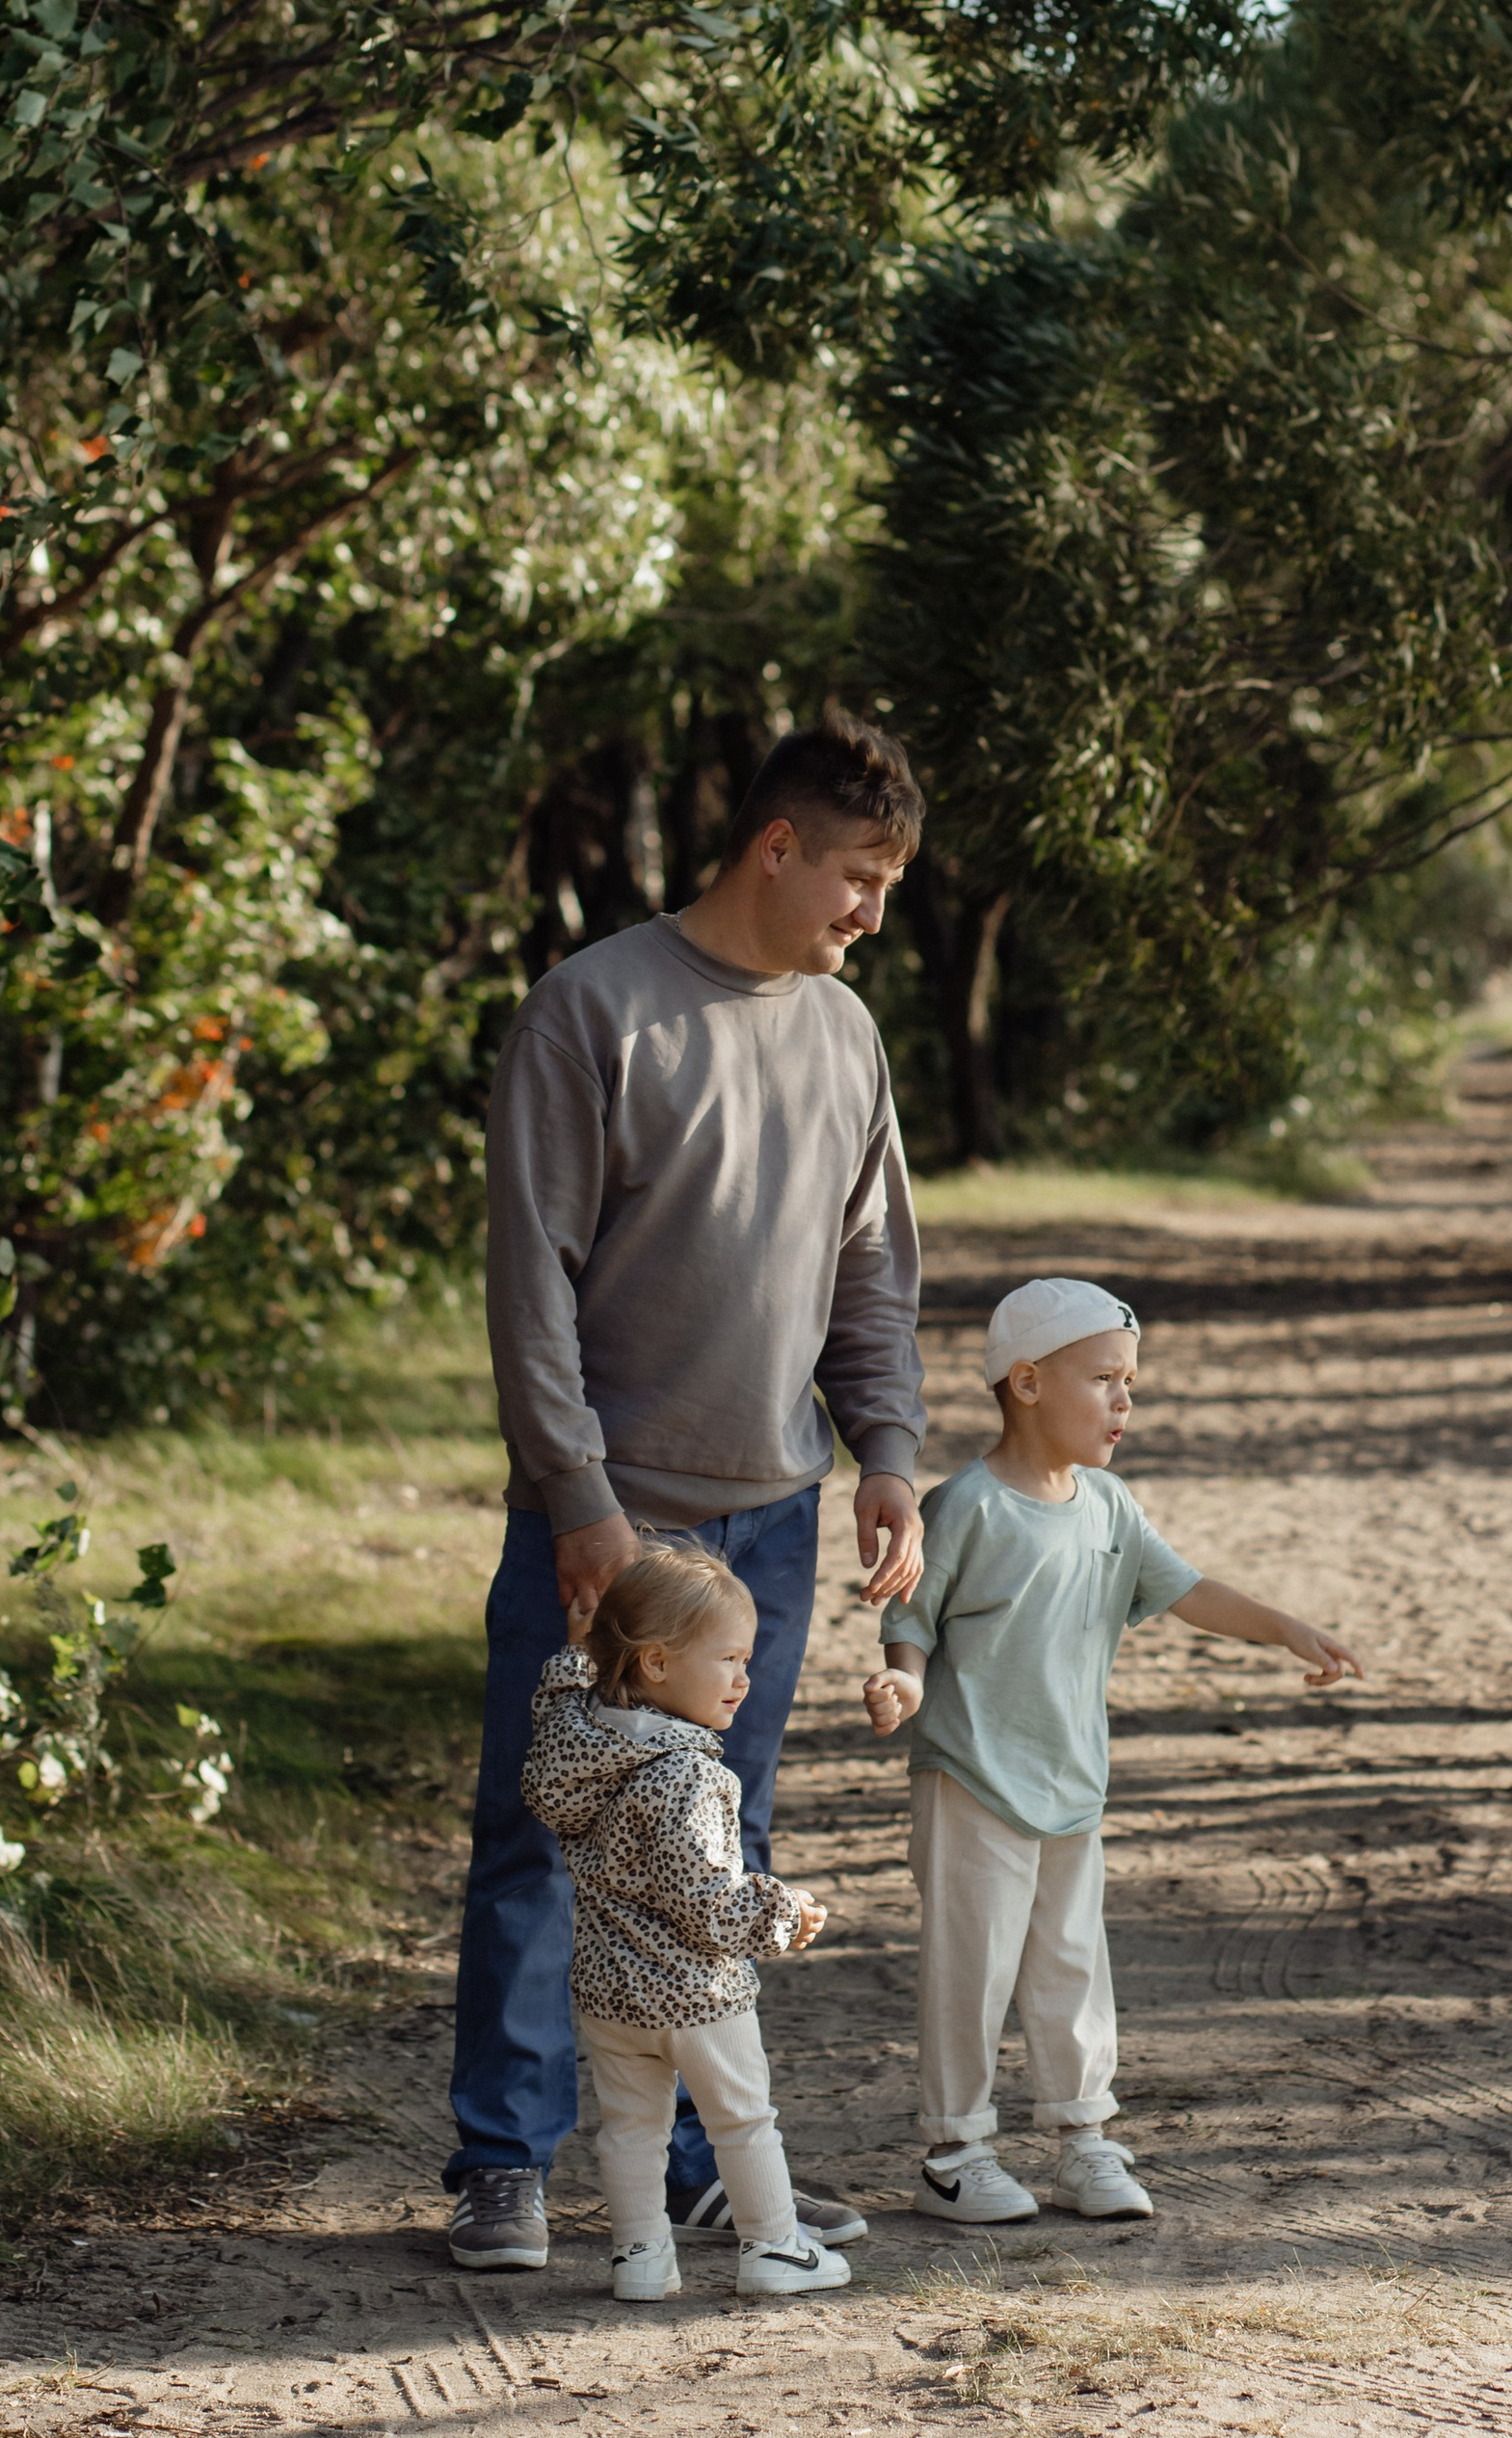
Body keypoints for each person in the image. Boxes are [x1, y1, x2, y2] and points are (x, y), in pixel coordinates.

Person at [445, 711, 931, 2271]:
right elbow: (534, 1291)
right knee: (548, 1834)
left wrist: (890, 1457)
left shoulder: (849, 1039)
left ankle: (697, 2170)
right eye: (859, 877)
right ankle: (506, 2167)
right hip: (611, 1521)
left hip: (772, 1524)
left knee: (717, 1842)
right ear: (776, 847)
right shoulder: (596, 1013)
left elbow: (873, 1282)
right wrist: (579, 1501)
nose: (873, 914)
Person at [862, 1276, 1363, 2225]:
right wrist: (908, 1685)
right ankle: (955, 2149)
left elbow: (1185, 1589)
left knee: (1069, 1965)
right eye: (1104, 1379)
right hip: (971, 1778)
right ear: (1025, 1383)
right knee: (969, 1970)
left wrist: (1283, 1626)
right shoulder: (965, 1505)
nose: (1124, 1400)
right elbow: (912, 1619)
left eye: (1129, 1381)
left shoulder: (1109, 1506)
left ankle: (1082, 2138)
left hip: (1071, 1783)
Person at [522, 1545, 853, 2303]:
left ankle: (639, 2258)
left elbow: (560, 1702)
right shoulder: (692, 1775)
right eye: (730, 1659)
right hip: (698, 1997)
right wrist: (781, 1913)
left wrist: (580, 1655)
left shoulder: (576, 1745)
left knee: (632, 2130)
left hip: (610, 1997)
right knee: (743, 2120)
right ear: (658, 1664)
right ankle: (773, 2249)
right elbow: (706, 1902)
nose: (744, 1678)